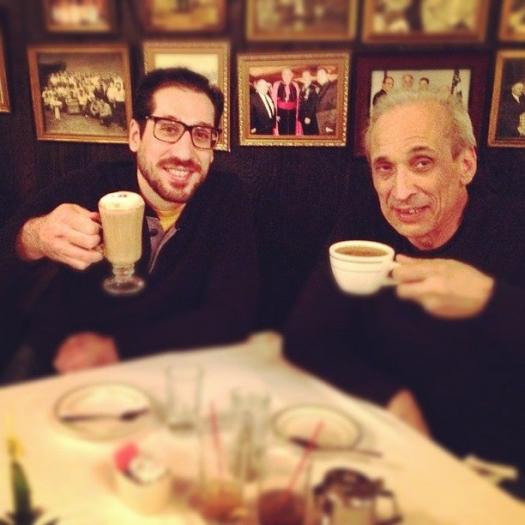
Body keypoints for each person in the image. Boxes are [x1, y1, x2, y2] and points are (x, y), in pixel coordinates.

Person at [284, 89, 525, 469]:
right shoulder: (364, 222)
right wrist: (392, 398)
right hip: (389, 446)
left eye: (422, 163)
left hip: (495, 463)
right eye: (385, 168)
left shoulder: (512, 228)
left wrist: (490, 299)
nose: (400, 191)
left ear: (465, 165)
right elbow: (304, 337)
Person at [0, 67, 259, 379]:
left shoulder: (226, 197)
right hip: (66, 366)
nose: (184, 152)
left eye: (202, 134)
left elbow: (233, 317)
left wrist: (118, 348)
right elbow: (7, 252)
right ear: (136, 136)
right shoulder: (88, 187)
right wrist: (34, 237)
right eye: (168, 128)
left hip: (172, 371)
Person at [272, 68, 301, 135]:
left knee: (292, 131)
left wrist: (298, 114)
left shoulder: (295, 85)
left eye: (288, 74)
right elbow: (273, 100)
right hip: (281, 112)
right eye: (285, 74)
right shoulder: (277, 84)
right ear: (282, 76)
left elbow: (298, 100)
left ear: (291, 76)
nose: (287, 76)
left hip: (293, 112)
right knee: (282, 131)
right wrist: (275, 114)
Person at [315, 67, 337, 135]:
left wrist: (330, 125)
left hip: (327, 121)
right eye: (318, 75)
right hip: (321, 120)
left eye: (321, 74)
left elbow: (336, 108)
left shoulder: (333, 87)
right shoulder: (322, 87)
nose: (319, 77)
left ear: (327, 75)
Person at [298, 69, 319, 136]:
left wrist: (308, 116)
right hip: (303, 116)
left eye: (307, 76)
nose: (305, 77)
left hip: (310, 117)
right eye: (304, 76)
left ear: (310, 77)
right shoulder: (302, 87)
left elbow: (313, 103)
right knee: (305, 133)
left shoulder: (314, 88)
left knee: (311, 134)